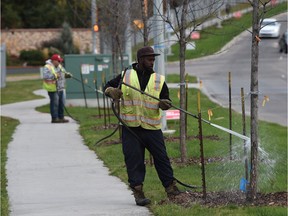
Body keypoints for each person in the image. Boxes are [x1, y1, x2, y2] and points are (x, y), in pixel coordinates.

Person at [104, 46, 181, 206]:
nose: (152, 62)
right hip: (130, 128)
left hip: (152, 128)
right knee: (134, 160)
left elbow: (166, 99)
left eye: (153, 59)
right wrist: (111, 91)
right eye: (149, 59)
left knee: (162, 159)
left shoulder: (158, 79)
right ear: (140, 60)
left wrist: (165, 104)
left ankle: (171, 189)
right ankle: (138, 192)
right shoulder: (126, 76)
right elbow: (106, 87)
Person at [42, 54, 72, 123]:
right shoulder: (47, 67)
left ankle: (61, 117)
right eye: (58, 61)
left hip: (61, 87)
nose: (60, 62)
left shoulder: (59, 66)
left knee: (62, 102)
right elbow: (46, 76)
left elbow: (64, 72)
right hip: (53, 88)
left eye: (60, 61)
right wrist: (55, 75)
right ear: (54, 61)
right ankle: (54, 118)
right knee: (55, 103)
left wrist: (67, 75)